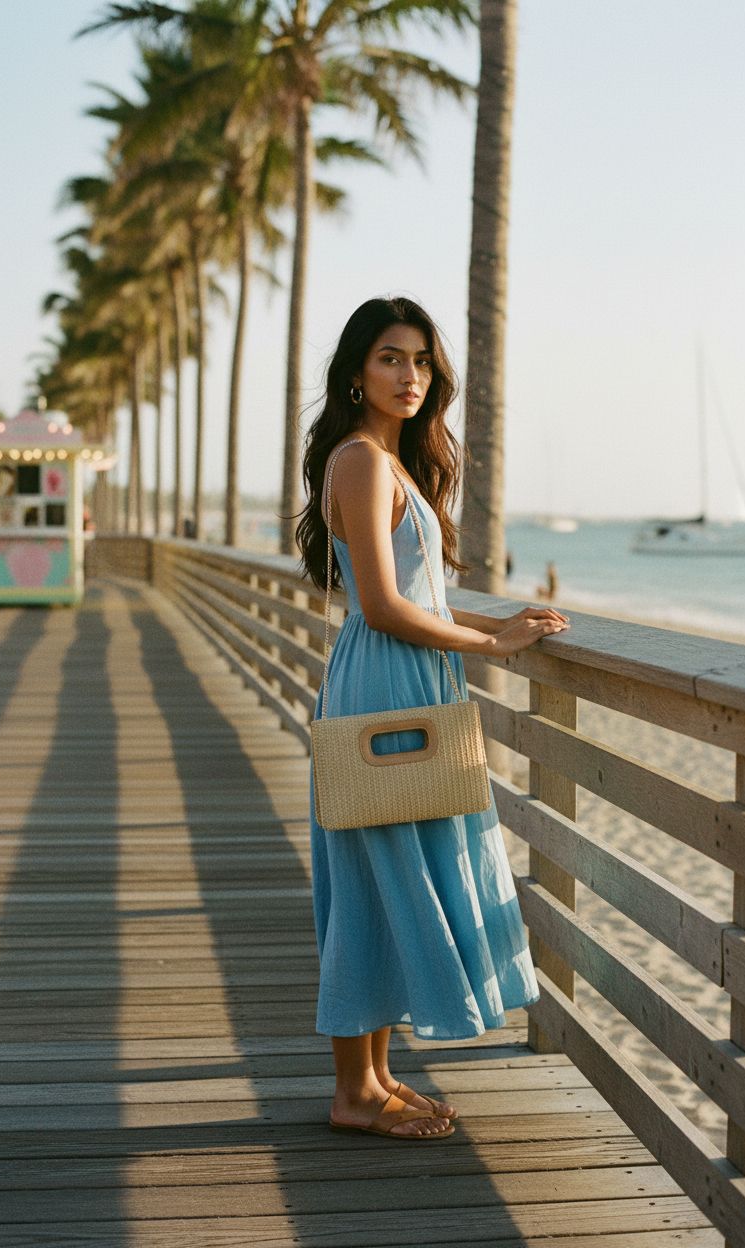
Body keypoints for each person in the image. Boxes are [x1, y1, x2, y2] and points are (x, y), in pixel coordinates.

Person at [295, 296, 570, 1142]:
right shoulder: (362, 461)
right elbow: (382, 605)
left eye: (420, 361)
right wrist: (493, 644)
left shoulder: (391, 459)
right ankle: (353, 1091)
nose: (409, 375)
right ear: (355, 372)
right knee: (374, 873)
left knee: (388, 871)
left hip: (407, 677)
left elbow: (414, 598)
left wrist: (492, 629)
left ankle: (374, 1078)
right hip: (387, 679)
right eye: (390, 358)